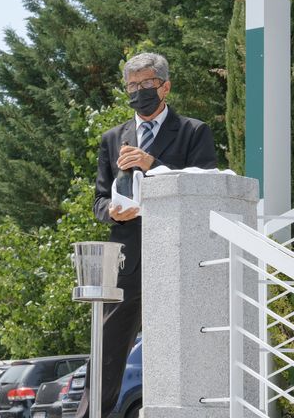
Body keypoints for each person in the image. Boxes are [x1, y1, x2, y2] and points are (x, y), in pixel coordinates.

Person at [76, 52, 217, 417]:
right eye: (132, 86)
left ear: (165, 86)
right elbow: (98, 199)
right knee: (106, 353)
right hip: (127, 260)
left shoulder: (194, 132)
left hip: (178, 256)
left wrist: (153, 165)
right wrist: (111, 211)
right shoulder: (112, 138)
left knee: (177, 348)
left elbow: (204, 188)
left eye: (146, 84)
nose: (138, 92)